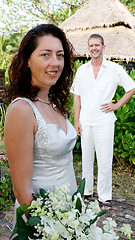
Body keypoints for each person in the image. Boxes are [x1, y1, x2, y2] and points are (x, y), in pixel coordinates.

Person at [4, 24, 77, 227]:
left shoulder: (54, 103)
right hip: (41, 219)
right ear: (27, 60)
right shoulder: (22, 110)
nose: (55, 63)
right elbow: (21, 189)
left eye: (60, 55)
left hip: (70, 212)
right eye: (45, 55)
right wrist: (49, 228)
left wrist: (75, 220)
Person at [71, 34, 135, 208]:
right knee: (86, 159)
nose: (94, 48)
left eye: (97, 45)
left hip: (105, 122)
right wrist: (76, 121)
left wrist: (116, 105)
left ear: (103, 47)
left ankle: (104, 196)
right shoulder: (82, 70)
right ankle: (85, 192)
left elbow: (131, 87)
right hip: (85, 121)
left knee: (105, 160)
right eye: (91, 45)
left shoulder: (114, 69)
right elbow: (76, 97)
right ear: (89, 48)